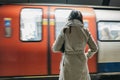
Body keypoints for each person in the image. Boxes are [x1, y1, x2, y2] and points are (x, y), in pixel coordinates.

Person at [52, 10, 98, 80]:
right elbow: (94, 48)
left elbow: (55, 48)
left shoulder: (65, 30)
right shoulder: (85, 31)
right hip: (81, 61)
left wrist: (64, 48)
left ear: (69, 18)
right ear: (80, 19)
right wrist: (87, 55)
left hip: (68, 62)